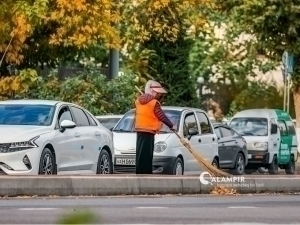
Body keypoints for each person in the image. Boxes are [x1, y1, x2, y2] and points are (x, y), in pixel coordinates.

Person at [134, 80, 176, 174]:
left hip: (140, 129)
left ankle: (139, 173)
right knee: (147, 155)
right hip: (149, 131)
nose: (159, 95)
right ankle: (146, 175)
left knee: (140, 154)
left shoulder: (138, 101)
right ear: (152, 91)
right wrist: (171, 125)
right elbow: (161, 116)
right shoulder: (154, 103)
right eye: (158, 93)